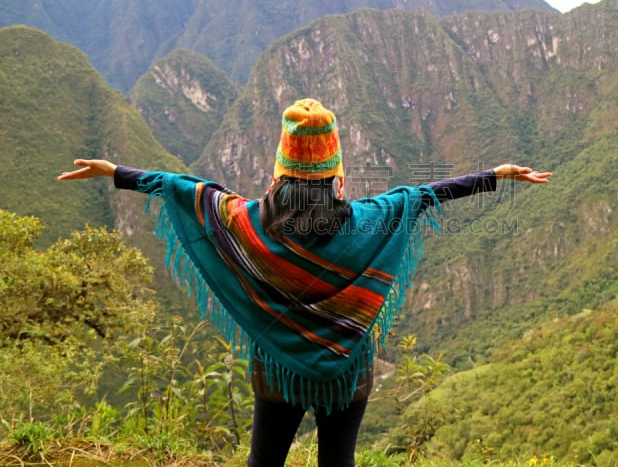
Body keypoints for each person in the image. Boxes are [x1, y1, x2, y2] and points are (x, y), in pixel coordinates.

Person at [58, 98, 552, 467]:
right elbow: (426, 194)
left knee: (264, 463)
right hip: (347, 371)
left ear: (280, 172)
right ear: (335, 172)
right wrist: (497, 174)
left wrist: (117, 172)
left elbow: (189, 191)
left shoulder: (245, 221)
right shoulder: (371, 218)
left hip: (278, 370)